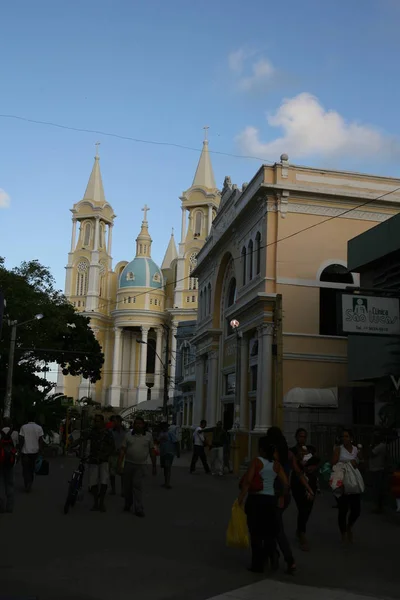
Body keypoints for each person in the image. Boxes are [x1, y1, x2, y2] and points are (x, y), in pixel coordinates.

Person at [238, 436, 288, 574]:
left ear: (261, 449)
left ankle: (257, 564)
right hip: (270, 500)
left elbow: (247, 481)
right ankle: (271, 554)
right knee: (268, 532)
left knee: (255, 533)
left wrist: (241, 498)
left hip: (256, 500)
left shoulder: (256, 462)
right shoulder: (276, 465)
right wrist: (281, 497)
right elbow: (286, 483)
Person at [267, 427, 314, 571]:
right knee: (272, 527)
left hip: (275, 494)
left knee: (275, 529)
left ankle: (287, 558)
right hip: (283, 495)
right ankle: (275, 556)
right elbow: (299, 473)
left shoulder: (273, 455)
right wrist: (309, 488)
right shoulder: (288, 454)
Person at [118, 416, 157, 517]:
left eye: (140, 423)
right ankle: (128, 503)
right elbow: (123, 450)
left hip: (141, 465)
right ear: (133, 425)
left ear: (143, 425)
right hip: (128, 464)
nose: (138, 425)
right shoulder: (128, 436)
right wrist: (119, 464)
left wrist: (154, 466)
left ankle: (138, 508)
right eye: (136, 423)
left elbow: (152, 451)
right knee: (127, 487)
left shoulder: (148, 436)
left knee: (137, 486)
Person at [290, 428, 320, 551]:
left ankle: (300, 529)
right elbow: (293, 465)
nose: (302, 439)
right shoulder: (292, 451)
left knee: (308, 507)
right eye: (300, 436)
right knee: (302, 507)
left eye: (304, 436)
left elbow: (318, 461)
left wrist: (314, 467)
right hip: (298, 482)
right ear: (296, 437)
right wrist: (298, 457)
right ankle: (302, 534)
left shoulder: (311, 449)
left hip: (311, 481)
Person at [332, 429, 363, 543]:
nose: (344, 438)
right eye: (343, 436)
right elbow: (333, 463)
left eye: (346, 436)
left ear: (351, 438)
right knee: (343, 509)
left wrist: (359, 459)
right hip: (341, 480)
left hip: (353, 482)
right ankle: (343, 532)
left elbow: (361, 462)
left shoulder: (356, 449)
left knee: (356, 510)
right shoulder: (338, 449)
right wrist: (349, 464)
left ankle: (349, 526)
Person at [86, 414, 115, 512]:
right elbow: (83, 438)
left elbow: (112, 446)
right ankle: (95, 503)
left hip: (104, 461)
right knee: (93, 483)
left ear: (102, 422)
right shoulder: (92, 431)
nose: (97, 423)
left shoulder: (107, 433)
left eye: (99, 421)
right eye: (95, 421)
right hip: (93, 460)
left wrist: (105, 455)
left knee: (103, 482)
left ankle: (101, 503)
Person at [19, 412, 44, 492]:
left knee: (25, 469)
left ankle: (27, 482)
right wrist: (40, 450)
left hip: (25, 451)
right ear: (34, 419)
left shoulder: (23, 427)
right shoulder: (39, 428)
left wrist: (20, 449)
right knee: (32, 468)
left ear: (27, 419)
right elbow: (41, 440)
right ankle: (30, 482)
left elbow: (21, 439)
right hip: (35, 451)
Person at [0, 417, 19, 512]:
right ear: (10, 424)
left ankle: (1, 506)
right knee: (10, 484)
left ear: (2, 423)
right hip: (11, 462)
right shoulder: (15, 433)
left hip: (0, 461)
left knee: (1, 484)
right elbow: (17, 445)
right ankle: (9, 507)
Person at [369, 430, 387, 514]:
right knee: (376, 488)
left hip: (378, 469)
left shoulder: (381, 446)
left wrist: (372, 444)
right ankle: (378, 507)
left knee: (377, 489)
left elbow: (371, 453)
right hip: (374, 469)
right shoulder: (377, 446)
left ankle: (378, 507)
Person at [109, 415, 126, 496]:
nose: (114, 423)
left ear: (120, 422)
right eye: (113, 421)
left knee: (122, 473)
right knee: (112, 474)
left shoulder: (125, 432)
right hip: (112, 455)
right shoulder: (110, 432)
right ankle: (113, 489)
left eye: (115, 421)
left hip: (122, 455)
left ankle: (123, 490)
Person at [159, 422, 177, 489]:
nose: (163, 428)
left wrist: (178, 452)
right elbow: (159, 441)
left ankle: (167, 483)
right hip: (163, 453)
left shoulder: (170, 433)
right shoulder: (161, 433)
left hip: (169, 453)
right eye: (162, 426)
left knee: (168, 467)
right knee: (165, 468)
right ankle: (166, 482)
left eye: (164, 426)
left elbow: (176, 442)